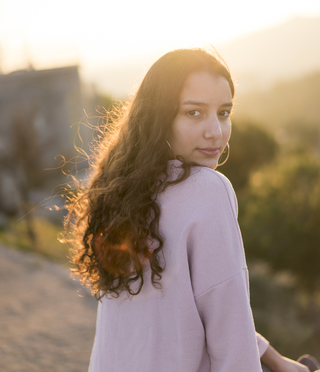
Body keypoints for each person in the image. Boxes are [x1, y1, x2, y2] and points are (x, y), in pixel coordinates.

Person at [66, 47, 314, 372]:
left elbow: (186, 306)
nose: (216, 131)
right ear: (160, 116)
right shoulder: (208, 189)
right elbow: (229, 335)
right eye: (194, 113)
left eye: (224, 113)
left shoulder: (120, 190)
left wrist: (272, 358)